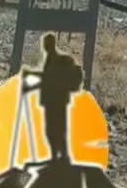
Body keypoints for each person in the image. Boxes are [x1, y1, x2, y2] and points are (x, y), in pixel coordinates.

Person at [20, 34, 84, 164]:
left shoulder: (59, 60)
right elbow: (48, 79)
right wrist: (32, 79)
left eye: (46, 44)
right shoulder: (51, 60)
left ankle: (63, 156)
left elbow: (50, 80)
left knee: (57, 128)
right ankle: (56, 156)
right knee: (52, 129)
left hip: (57, 100)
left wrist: (32, 81)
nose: (45, 47)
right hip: (52, 100)